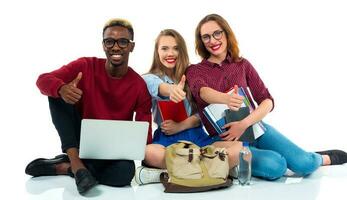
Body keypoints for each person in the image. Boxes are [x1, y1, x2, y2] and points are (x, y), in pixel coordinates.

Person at [186, 13, 347, 180]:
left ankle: (319, 157)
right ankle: (281, 157)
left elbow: (267, 100)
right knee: (276, 167)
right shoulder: (194, 70)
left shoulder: (242, 65)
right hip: (228, 142)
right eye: (206, 37)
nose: (212, 41)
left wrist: (244, 124)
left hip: (255, 128)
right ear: (201, 41)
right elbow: (202, 92)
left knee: (304, 164)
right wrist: (226, 99)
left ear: (226, 34)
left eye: (217, 33)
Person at [25, 18, 152, 194]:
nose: (116, 47)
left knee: (125, 174)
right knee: (57, 93)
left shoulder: (139, 85)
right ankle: (77, 164)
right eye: (109, 41)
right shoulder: (85, 65)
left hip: (111, 149)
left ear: (132, 46)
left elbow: (144, 134)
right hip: (78, 139)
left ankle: (67, 167)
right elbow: (43, 80)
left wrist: (146, 154)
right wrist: (61, 89)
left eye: (123, 42)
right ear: (103, 45)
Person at [134, 29, 220, 185]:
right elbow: (159, 87)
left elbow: (204, 113)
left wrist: (181, 125)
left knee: (235, 148)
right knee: (147, 152)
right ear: (157, 52)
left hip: (194, 134)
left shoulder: (193, 75)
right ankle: (212, 169)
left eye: (175, 48)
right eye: (164, 48)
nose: (170, 53)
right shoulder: (148, 78)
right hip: (167, 137)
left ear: (182, 51)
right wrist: (172, 89)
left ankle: (167, 173)